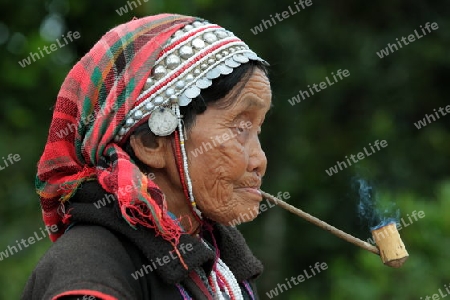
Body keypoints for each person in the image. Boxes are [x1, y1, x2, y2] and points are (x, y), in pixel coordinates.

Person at [22, 13, 272, 300]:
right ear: (151, 143)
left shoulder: (218, 263)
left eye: (257, 129)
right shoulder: (90, 272)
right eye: (240, 127)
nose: (259, 161)